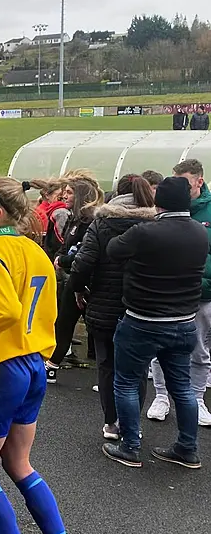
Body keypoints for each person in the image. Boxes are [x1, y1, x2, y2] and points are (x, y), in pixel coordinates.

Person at [0, 177, 83, 534]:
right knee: (19, 463)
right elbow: (47, 311)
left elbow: (2, 312)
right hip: (34, 363)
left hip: (3, 368)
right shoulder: (35, 252)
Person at [102, 177, 207, 470]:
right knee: (183, 388)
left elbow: (113, 249)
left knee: (126, 382)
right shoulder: (200, 233)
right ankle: (188, 448)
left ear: (158, 201)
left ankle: (130, 445)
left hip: (142, 321)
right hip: (184, 321)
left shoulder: (145, 232)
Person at [67, 174, 156, 440]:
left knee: (107, 365)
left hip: (104, 304)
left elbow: (83, 262)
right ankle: (131, 425)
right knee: (136, 368)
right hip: (141, 306)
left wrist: (78, 289)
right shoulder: (153, 223)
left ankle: (112, 422)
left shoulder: (103, 223)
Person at [148, 159, 211, 426]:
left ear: (199, 181)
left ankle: (197, 399)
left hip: (202, 294)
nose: (182, 190)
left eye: (186, 184)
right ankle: (161, 396)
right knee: (160, 348)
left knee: (199, 350)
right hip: (169, 295)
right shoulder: (166, 210)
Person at [45, 173, 104, 382]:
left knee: (95, 327)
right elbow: (65, 248)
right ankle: (52, 365)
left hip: (88, 279)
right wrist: (61, 257)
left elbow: (84, 252)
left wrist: (64, 260)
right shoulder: (74, 219)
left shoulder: (91, 221)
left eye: (69, 193)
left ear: (80, 195)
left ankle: (106, 374)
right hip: (74, 277)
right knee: (64, 321)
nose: (65, 196)